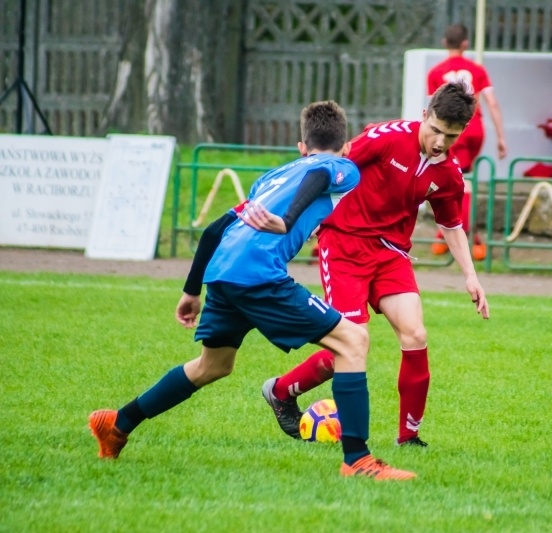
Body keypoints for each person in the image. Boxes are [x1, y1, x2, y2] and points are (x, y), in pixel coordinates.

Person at [88, 101, 415, 481]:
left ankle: (118, 424)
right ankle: (358, 460)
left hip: (224, 273)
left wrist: (192, 290)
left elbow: (214, 230)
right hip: (258, 274)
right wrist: (287, 221)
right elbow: (322, 173)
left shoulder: (272, 178)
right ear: (344, 147)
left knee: (212, 366)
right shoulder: (341, 165)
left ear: (301, 146)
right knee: (354, 340)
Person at [256, 81, 490, 448]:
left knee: (415, 335)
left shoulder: (448, 173)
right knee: (351, 345)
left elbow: (451, 224)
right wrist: (296, 217)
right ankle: (281, 391)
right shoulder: (386, 138)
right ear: (424, 115)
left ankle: (408, 437)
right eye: (436, 131)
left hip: (391, 254)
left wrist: (471, 276)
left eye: (452, 136)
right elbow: (328, 167)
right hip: (345, 245)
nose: (441, 142)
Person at [426, 23, 507, 261]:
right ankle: (452, 232)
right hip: (475, 128)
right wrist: (501, 137)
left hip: (452, 130)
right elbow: (491, 102)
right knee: (463, 177)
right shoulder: (477, 70)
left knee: (450, 178)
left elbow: (435, 109)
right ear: (465, 44)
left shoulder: (435, 73)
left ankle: (460, 235)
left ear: (444, 43)